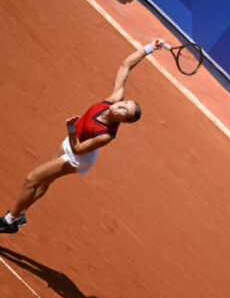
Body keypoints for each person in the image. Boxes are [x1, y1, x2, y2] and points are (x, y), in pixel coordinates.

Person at [0, 39, 165, 234]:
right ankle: (21, 213)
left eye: (123, 110)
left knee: (31, 179)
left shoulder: (106, 135)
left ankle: (9, 221)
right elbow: (126, 66)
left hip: (78, 156)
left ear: (125, 121)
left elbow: (78, 149)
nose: (120, 105)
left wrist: (70, 128)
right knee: (45, 181)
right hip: (72, 140)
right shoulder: (113, 99)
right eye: (124, 102)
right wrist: (149, 49)